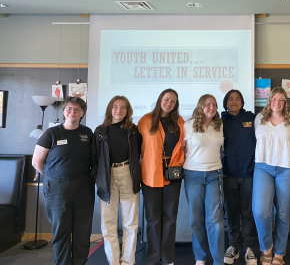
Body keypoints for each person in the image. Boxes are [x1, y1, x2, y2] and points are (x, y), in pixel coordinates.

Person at [32, 97, 95, 265]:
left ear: (83, 113)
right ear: (64, 111)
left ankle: (80, 262)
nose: (72, 112)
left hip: (84, 188)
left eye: (77, 110)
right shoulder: (51, 133)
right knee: (61, 231)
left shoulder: (87, 133)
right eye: (69, 109)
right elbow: (36, 162)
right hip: (57, 189)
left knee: (83, 231)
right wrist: (55, 176)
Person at [253, 87, 290, 265]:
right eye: (274, 99)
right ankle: (267, 248)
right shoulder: (260, 119)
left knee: (282, 213)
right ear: (269, 101)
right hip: (263, 167)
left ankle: (279, 254)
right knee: (260, 212)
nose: (277, 102)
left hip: (288, 168)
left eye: (281, 99)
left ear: (285, 102)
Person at [93, 95, 142, 265]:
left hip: (128, 175)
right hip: (107, 178)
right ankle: (113, 261)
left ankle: (128, 262)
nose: (119, 110)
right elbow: (94, 158)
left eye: (123, 107)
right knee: (108, 224)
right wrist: (97, 178)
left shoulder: (133, 130)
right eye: (115, 107)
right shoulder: (99, 131)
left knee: (131, 224)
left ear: (127, 110)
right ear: (110, 109)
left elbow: (141, 154)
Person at [137, 89, 185, 265]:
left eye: (173, 101)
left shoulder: (179, 122)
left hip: (173, 174)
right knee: (153, 219)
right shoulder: (145, 121)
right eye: (166, 99)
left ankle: (167, 259)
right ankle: (153, 258)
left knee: (170, 218)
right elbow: (136, 148)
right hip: (150, 174)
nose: (169, 103)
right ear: (160, 100)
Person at [183, 94, 225, 265]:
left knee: (215, 220)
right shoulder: (188, 124)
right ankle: (200, 257)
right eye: (207, 104)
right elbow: (182, 148)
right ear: (201, 106)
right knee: (196, 219)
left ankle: (218, 260)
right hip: (193, 175)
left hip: (214, 174)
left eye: (214, 104)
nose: (211, 107)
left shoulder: (219, 124)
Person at [221, 90, 257, 265]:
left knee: (248, 212)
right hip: (229, 173)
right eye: (230, 99)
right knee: (232, 212)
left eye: (237, 99)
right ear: (225, 102)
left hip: (249, 173)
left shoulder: (252, 119)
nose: (234, 102)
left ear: (242, 102)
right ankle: (233, 245)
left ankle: (249, 247)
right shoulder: (220, 121)